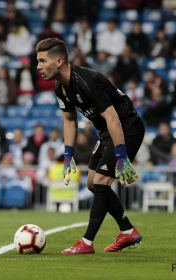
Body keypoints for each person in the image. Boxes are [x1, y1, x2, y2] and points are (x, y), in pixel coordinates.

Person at [36, 38, 145, 254]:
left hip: (126, 127)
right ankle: (127, 230)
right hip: (107, 132)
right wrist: (68, 155)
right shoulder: (60, 88)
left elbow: (113, 117)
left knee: (103, 181)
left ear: (59, 61)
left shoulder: (87, 80)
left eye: (42, 60)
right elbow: (69, 120)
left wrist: (121, 157)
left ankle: (86, 242)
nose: (38, 66)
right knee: (92, 184)